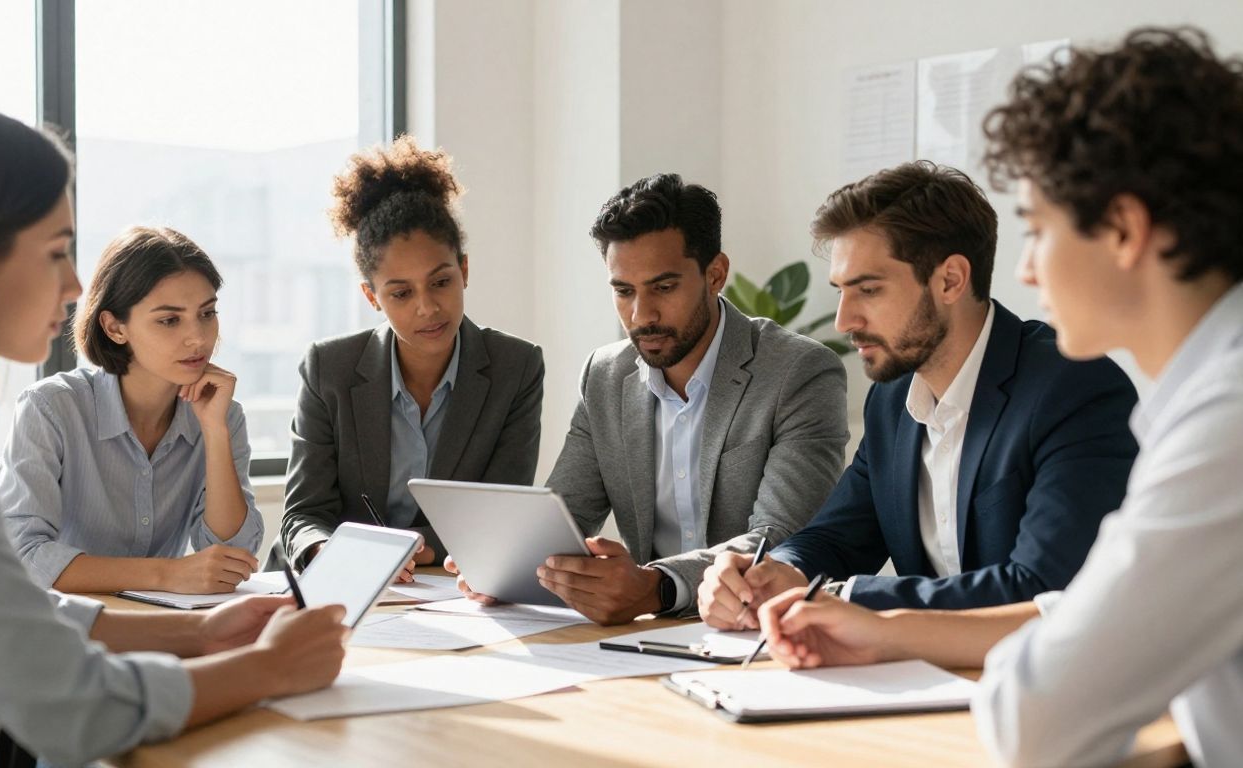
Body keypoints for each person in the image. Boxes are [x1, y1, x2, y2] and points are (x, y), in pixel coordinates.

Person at [755, 27, 1243, 768]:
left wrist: (872, 608)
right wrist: (875, 623)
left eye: (1038, 230)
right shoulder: (1207, 395)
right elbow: (1076, 615)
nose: (1028, 272)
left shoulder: (1224, 424)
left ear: (1123, 230)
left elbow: (1037, 718)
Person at [0, 102, 346, 768]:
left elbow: (16, 612)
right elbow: (72, 705)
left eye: (206, 314)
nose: (73, 286)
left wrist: (202, 631)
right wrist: (268, 670)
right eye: (56, 252)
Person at [697, 161, 1138, 626]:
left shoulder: (1073, 388)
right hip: (923, 682)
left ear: (950, 280)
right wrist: (773, 573)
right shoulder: (893, 402)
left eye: (868, 289)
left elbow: (1044, 587)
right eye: (841, 291)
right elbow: (837, 538)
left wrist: (841, 598)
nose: (845, 321)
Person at [454, 172, 849, 625]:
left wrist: (657, 586)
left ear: (715, 274)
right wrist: (505, 563)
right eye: (624, 291)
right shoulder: (605, 375)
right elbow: (565, 513)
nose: (641, 316)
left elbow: (779, 539)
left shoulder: (798, 372)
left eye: (663, 287)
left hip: (756, 633)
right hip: (643, 636)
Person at [278, 136, 544, 579]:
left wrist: (407, 550)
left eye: (440, 282)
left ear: (464, 270)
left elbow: (502, 513)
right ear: (372, 296)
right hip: (337, 583)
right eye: (401, 293)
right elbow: (303, 515)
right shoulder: (329, 368)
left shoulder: (515, 367)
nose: (427, 308)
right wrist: (329, 553)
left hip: (448, 586)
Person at [0, 226, 264, 594]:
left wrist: (215, 431)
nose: (198, 338)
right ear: (114, 327)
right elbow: (24, 556)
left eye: (207, 313)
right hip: (62, 631)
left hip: (160, 628)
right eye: (170, 320)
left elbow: (233, 557)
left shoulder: (221, 413)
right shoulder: (51, 408)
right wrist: (166, 575)